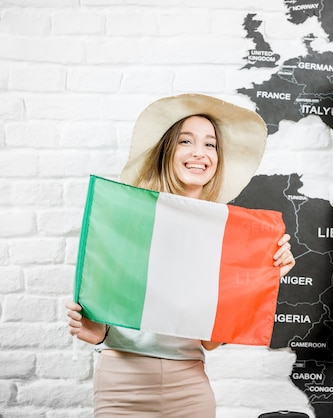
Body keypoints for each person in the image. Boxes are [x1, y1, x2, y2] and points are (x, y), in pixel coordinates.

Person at [66, 94, 295, 417]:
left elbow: (210, 341)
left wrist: (264, 274)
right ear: (167, 151)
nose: (199, 153)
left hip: (188, 385)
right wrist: (94, 329)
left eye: (210, 145)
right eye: (186, 141)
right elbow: (102, 319)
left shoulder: (222, 234)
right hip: (123, 380)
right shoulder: (128, 217)